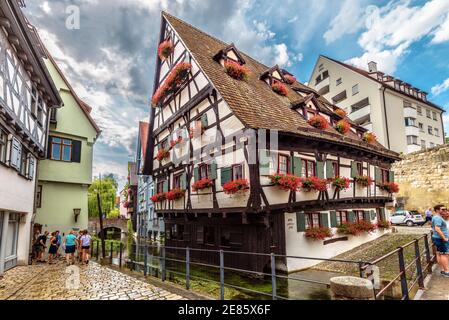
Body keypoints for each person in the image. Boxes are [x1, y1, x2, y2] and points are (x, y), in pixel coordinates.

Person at [431, 205, 449, 277]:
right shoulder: (437, 218)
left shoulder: (437, 217)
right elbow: (437, 229)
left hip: (438, 238)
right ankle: (446, 272)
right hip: (441, 239)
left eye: (445, 209)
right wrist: (444, 238)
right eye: (443, 209)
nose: (445, 210)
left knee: (440, 253)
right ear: (437, 210)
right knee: (444, 254)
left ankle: (443, 270)